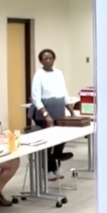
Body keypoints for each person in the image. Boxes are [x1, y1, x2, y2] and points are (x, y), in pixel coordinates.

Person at [31, 49, 75, 181]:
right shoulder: (38, 75)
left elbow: (64, 92)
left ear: (54, 59)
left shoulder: (59, 73)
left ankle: (56, 167)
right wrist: (46, 115)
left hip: (59, 111)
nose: (48, 60)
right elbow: (35, 98)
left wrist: (71, 110)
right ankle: (48, 170)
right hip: (43, 112)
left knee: (60, 141)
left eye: (50, 58)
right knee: (48, 143)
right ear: (41, 61)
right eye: (45, 58)